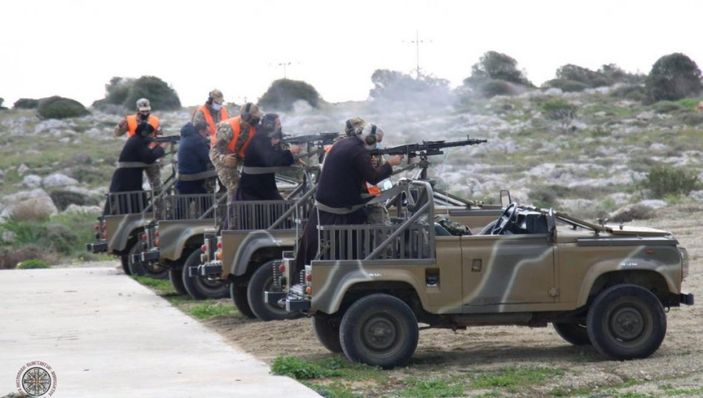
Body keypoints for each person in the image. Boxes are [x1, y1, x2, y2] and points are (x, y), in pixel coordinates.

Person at [294, 120, 403, 271]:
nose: (377, 145)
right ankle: (379, 259)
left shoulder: (344, 143)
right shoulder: (359, 151)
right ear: (370, 139)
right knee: (372, 212)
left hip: (330, 204)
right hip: (340, 208)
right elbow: (373, 177)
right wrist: (391, 164)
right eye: (377, 141)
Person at [236, 113, 301, 201]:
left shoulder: (264, 138)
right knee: (277, 210)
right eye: (278, 124)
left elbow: (274, 155)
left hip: (262, 184)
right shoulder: (259, 139)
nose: (280, 127)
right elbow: (272, 160)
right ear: (269, 126)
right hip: (254, 189)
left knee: (279, 208)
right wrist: (290, 152)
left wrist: (293, 157)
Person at [105, 122, 165, 214]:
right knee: (130, 202)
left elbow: (146, 154)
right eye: (151, 134)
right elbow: (148, 158)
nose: (151, 137)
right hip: (127, 177)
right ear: (145, 133)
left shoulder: (135, 140)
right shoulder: (138, 141)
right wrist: (161, 148)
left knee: (136, 199)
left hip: (128, 176)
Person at [209, 102, 262, 203]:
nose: (258, 119)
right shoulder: (228, 128)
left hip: (239, 156)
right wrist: (223, 159)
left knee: (251, 182)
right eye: (255, 116)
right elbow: (215, 150)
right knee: (234, 186)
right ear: (248, 117)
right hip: (222, 157)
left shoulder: (253, 127)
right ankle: (233, 215)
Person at [114, 98, 163, 193]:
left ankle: (160, 205)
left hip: (149, 153)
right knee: (131, 182)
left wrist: (158, 154)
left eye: (147, 111)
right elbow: (117, 134)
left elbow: (160, 137)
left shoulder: (155, 120)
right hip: (133, 155)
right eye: (143, 111)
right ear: (137, 110)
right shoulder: (129, 120)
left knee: (156, 183)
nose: (145, 113)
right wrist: (120, 126)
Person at [176, 122, 214, 195]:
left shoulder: (187, 137)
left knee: (183, 204)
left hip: (184, 177)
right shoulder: (196, 140)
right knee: (205, 201)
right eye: (207, 134)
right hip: (192, 179)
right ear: (201, 131)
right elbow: (209, 158)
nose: (207, 136)